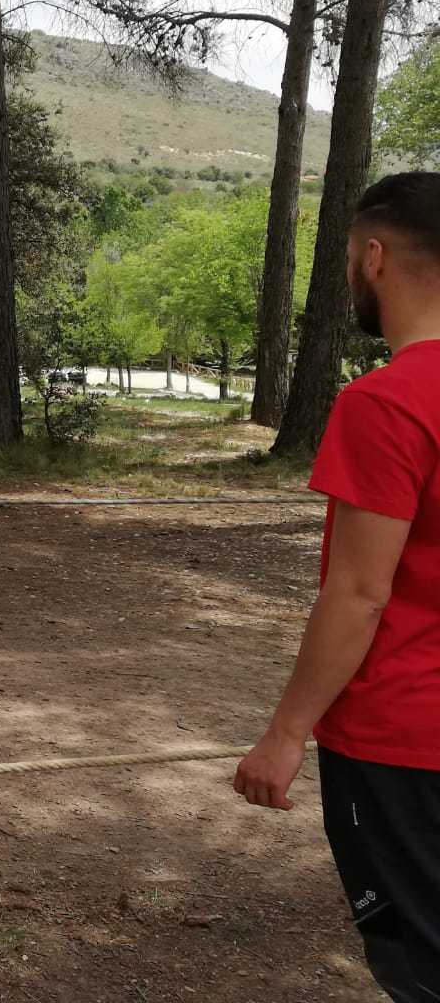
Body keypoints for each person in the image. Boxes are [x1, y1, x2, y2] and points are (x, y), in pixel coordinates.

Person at [233, 172, 440, 1001]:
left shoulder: (386, 401)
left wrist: (284, 734)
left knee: (419, 965)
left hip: (403, 743)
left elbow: (358, 593)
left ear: (374, 257)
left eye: (352, 257)